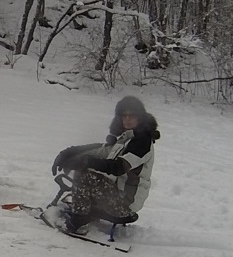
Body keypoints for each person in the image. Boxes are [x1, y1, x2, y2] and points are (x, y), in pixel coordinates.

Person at [49, 95, 159, 233]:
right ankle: (86, 212)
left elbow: (118, 167)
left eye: (132, 115)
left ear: (140, 117)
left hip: (124, 204)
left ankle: (79, 221)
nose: (127, 119)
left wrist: (85, 162)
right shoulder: (126, 139)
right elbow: (101, 150)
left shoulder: (141, 142)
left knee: (85, 174)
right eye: (124, 116)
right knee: (87, 167)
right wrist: (68, 153)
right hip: (115, 196)